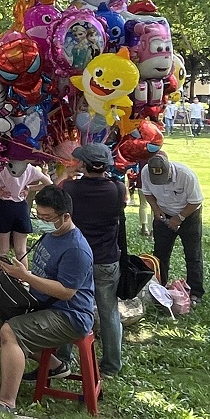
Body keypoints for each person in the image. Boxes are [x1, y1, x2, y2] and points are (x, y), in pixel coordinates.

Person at [0, 186, 95, 412]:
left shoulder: (76, 250)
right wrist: (18, 269)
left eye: (47, 218)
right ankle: (54, 365)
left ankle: (6, 402)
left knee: (10, 331)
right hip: (42, 303)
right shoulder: (51, 234)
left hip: (70, 314)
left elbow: (66, 292)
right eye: (39, 216)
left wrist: (26, 276)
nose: (42, 221)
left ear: (65, 217)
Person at [57, 143, 125, 376]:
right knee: (109, 313)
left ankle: (62, 359)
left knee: (67, 308)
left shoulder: (70, 189)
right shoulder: (118, 189)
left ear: (83, 165)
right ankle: (111, 365)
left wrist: (65, 175)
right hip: (106, 259)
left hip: (75, 258)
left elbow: (55, 206)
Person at [142, 151, 205, 304]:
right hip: (163, 213)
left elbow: (195, 201)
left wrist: (179, 218)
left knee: (193, 255)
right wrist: (156, 209)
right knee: (160, 254)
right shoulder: (146, 172)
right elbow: (147, 193)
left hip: (189, 216)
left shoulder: (186, 175)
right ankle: (160, 287)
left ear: (170, 169)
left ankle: (196, 292)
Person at [0, 160, 52, 266]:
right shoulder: (30, 168)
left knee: (3, 251)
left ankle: (2, 278)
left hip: (4, 207)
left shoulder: (3, 167)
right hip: (21, 208)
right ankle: (23, 279)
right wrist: (30, 189)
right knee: (21, 251)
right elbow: (49, 184)